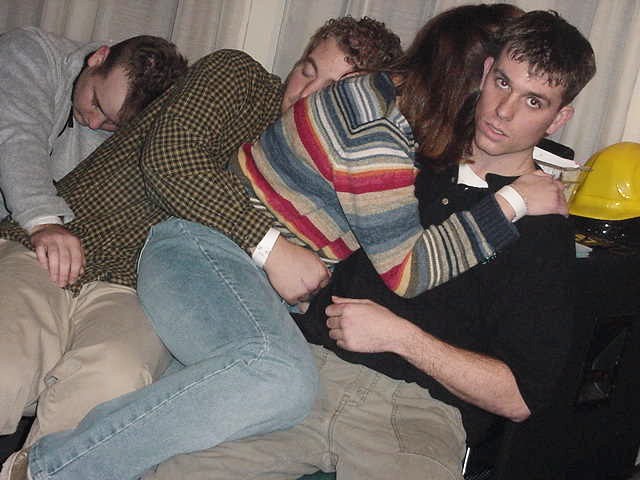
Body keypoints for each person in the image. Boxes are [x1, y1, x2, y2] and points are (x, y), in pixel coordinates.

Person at [0, 5, 570, 480]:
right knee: (280, 377)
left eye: (530, 100)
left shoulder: (402, 136)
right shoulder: (376, 133)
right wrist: (512, 203)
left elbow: (519, 388)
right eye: (497, 84)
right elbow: (408, 271)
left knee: (256, 377)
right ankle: (49, 469)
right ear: (472, 79)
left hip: (256, 302)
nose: (498, 111)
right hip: (203, 251)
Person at [0, 14, 402, 468]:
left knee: (104, 389)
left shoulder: (337, 176)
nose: (305, 95)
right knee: (7, 361)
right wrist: (271, 247)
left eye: (331, 90)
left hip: (135, 294)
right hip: (66, 236)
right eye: (307, 71)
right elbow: (171, 159)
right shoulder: (241, 78)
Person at [0, 27, 188, 238]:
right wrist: (44, 222)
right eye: (96, 102)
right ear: (99, 58)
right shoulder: (26, 49)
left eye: (113, 123)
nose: (94, 123)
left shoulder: (135, 130)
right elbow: (18, 136)